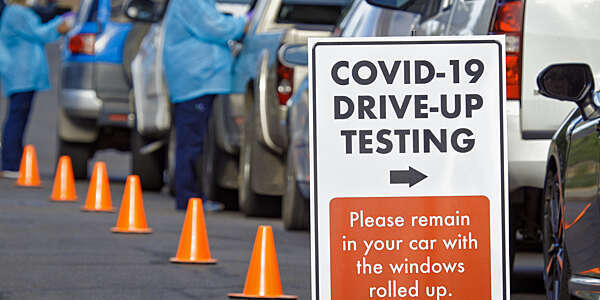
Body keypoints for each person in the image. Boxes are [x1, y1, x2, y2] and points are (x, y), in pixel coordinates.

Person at [163, 0, 247, 211]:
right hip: (196, 80)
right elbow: (214, 27)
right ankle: (189, 199)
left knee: (193, 142)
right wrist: (241, 24)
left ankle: (192, 197)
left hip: (197, 80)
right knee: (191, 143)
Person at [0, 0, 70, 178]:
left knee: (19, 118)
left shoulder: (20, 12)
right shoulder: (16, 12)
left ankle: (13, 162)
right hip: (21, 74)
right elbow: (40, 34)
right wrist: (60, 24)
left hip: (24, 75)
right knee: (16, 119)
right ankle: (10, 164)